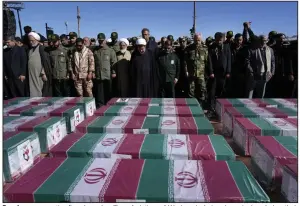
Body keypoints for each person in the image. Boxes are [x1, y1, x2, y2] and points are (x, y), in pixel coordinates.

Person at [207, 32, 231, 115]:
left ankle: (220, 108)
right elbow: (209, 60)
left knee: (221, 90)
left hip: (223, 73)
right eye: (218, 39)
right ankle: (211, 108)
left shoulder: (227, 47)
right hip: (214, 73)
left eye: (221, 39)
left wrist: (228, 71)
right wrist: (211, 72)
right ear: (215, 39)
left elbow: (229, 59)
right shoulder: (211, 47)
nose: (219, 41)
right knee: (212, 91)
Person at [184, 33, 211, 107]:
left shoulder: (205, 48)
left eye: (198, 40)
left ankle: (201, 105)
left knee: (202, 89)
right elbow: (185, 61)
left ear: (201, 39)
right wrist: (186, 71)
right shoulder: (188, 48)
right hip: (191, 73)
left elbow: (207, 61)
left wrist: (208, 72)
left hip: (201, 73)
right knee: (191, 90)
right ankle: (191, 105)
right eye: (196, 40)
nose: (197, 41)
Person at [93, 33, 117, 107]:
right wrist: (93, 72)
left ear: (105, 40)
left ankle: (109, 105)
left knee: (108, 91)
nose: (101, 42)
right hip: (99, 74)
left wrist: (113, 72)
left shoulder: (110, 50)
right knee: (99, 92)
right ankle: (100, 106)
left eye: (102, 40)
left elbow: (114, 62)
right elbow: (93, 62)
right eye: (99, 41)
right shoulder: (96, 51)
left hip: (108, 74)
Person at [27, 32, 52, 97]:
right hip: (32, 74)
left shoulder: (42, 48)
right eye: (30, 41)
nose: (31, 42)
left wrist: (43, 72)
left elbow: (46, 62)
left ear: (37, 40)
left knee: (41, 90)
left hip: (40, 75)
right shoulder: (30, 50)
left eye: (32, 40)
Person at [229, 33, 248, 98]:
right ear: (234, 40)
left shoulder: (245, 48)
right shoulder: (230, 48)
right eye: (237, 40)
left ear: (242, 40)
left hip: (241, 73)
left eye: (240, 40)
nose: (238, 41)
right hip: (231, 72)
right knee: (231, 90)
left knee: (240, 91)